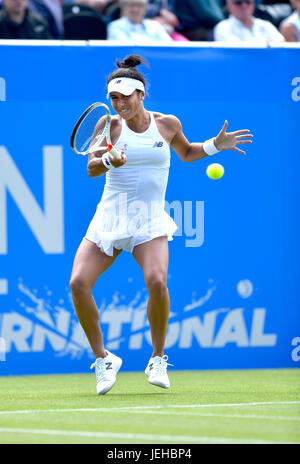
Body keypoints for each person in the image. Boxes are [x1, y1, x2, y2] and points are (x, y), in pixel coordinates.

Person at [69, 54, 253, 395]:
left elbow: (186, 152)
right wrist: (110, 158)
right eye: (114, 97)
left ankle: (157, 357)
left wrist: (216, 145)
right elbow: (92, 167)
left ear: (141, 95)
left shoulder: (167, 124)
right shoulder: (107, 126)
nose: (119, 102)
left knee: (156, 280)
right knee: (78, 283)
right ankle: (104, 359)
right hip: (110, 217)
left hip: (149, 220)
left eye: (126, 96)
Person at [214, 0, 285, 42]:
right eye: (238, 3)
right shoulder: (222, 28)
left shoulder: (266, 25)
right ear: (228, 5)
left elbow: (282, 45)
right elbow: (239, 52)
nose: (244, 6)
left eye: (248, 2)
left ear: (253, 4)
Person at [107, 0, 173, 41]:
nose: (135, 10)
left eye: (139, 6)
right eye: (132, 5)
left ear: (145, 9)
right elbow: (126, 49)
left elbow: (168, 46)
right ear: (124, 7)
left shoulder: (155, 25)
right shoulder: (115, 26)